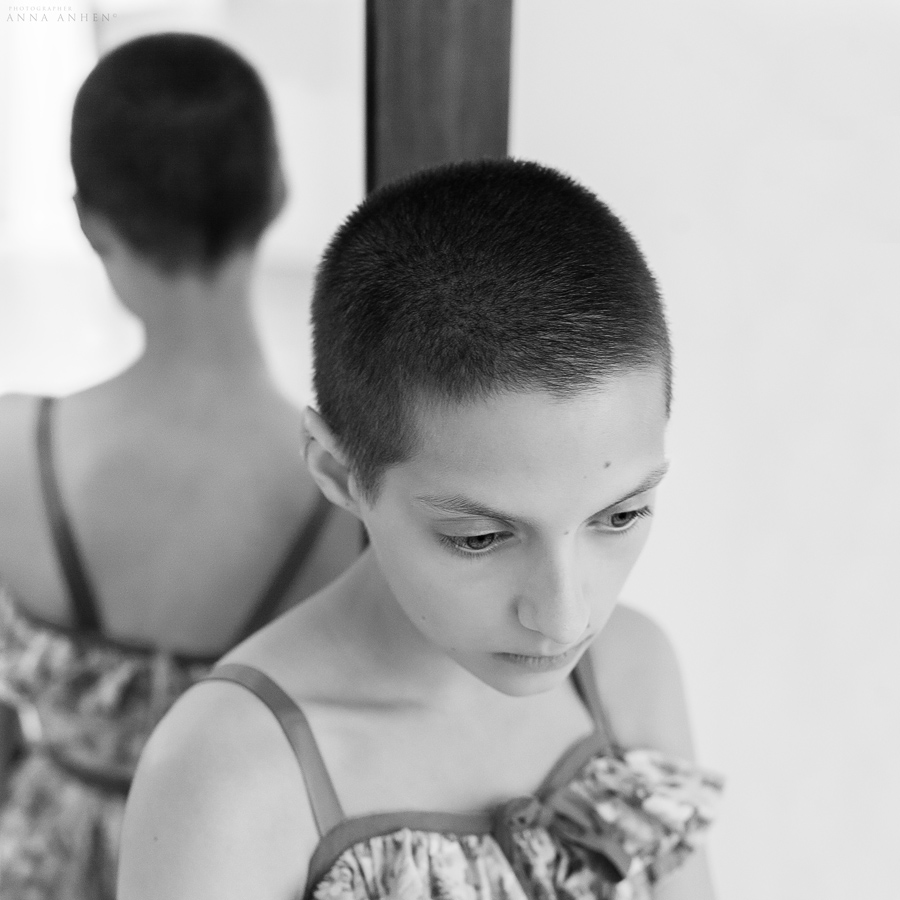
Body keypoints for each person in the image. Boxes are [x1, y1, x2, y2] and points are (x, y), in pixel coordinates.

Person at [119, 159, 724, 900]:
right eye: (479, 538)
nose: (565, 618)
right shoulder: (226, 774)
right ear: (339, 471)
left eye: (620, 516)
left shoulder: (629, 671)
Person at [0, 33, 360, 900]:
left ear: (89, 221)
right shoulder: (349, 490)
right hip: (241, 872)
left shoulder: (14, 444)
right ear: (276, 191)